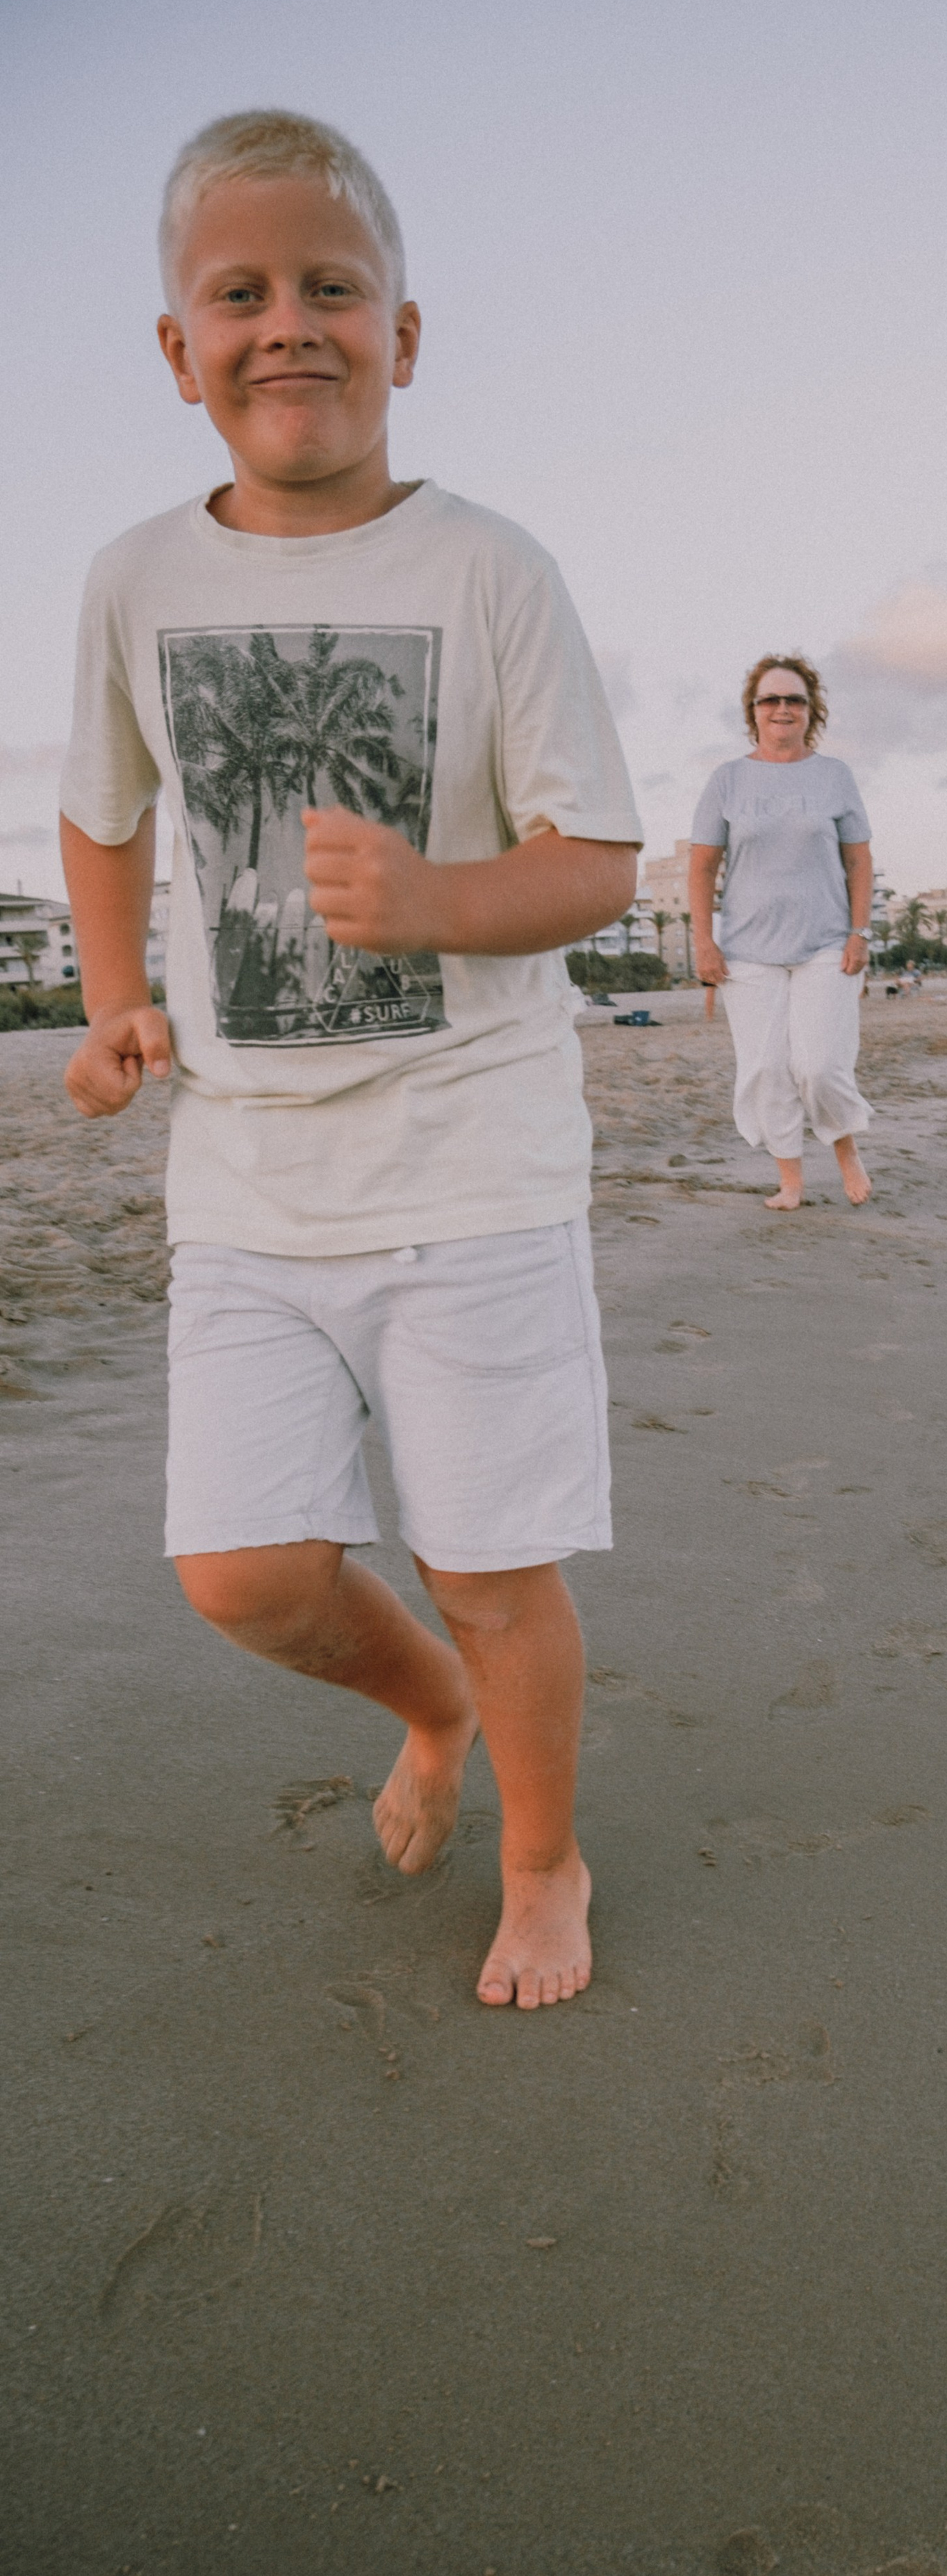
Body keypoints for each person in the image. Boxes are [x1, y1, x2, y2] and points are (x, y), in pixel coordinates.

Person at [58, 111, 643, 2008]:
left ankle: (545, 1859)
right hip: (246, 1169)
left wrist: (431, 897)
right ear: (176, 347)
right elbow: (101, 807)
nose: (286, 326)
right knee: (244, 1572)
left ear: (407, 333)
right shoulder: (135, 579)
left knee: (492, 1560)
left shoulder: (492, 569)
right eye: (241, 294)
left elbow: (595, 859)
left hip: (469, 1158)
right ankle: (435, 1714)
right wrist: (110, 993)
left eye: (333, 289)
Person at [689, 656, 875, 1209]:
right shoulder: (726, 780)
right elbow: (701, 869)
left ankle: (846, 1152)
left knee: (818, 1066)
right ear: (754, 711)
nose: (782, 709)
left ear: (810, 709)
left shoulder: (835, 775)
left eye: (793, 699)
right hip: (747, 952)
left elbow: (860, 862)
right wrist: (703, 940)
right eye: (770, 700)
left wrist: (860, 930)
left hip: (825, 944)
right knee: (768, 1069)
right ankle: (791, 1180)